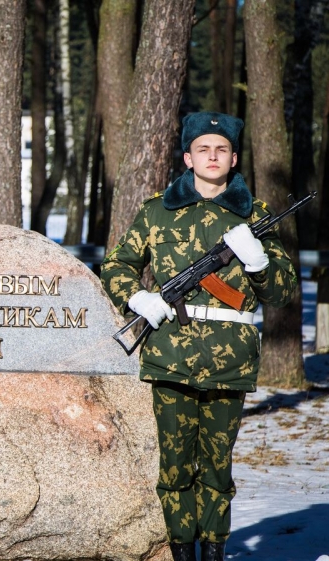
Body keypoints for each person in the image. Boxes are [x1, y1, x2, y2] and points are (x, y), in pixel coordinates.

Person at [100, 112, 297, 561]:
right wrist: (138, 300)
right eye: (203, 149)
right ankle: (181, 553)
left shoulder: (257, 215)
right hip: (171, 357)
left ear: (232, 158)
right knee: (174, 470)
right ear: (188, 157)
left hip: (231, 363)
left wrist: (258, 264)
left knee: (216, 470)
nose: (213, 156)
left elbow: (283, 292)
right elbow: (116, 265)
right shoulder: (157, 211)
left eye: (221, 149)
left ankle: (214, 553)